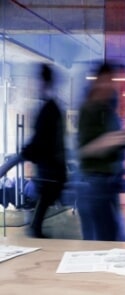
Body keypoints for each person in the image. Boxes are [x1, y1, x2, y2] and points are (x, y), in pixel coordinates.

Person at [76, 62, 125, 241]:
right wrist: (115, 139)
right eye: (108, 80)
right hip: (94, 185)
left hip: (109, 183)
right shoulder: (89, 109)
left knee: (111, 238)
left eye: (113, 81)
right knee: (100, 242)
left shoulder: (107, 110)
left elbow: (114, 142)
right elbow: (86, 149)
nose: (112, 85)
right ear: (98, 81)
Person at [21, 63, 67, 238]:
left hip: (50, 172)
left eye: (36, 80)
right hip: (50, 171)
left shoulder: (49, 109)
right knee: (41, 209)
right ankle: (36, 234)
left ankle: (35, 234)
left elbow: (42, 139)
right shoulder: (50, 107)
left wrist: (27, 153)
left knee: (41, 209)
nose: (33, 85)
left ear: (42, 81)